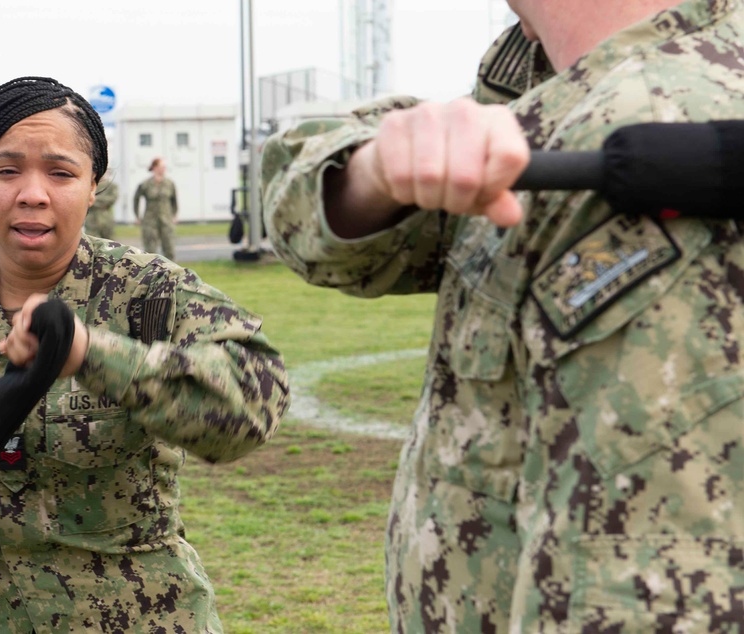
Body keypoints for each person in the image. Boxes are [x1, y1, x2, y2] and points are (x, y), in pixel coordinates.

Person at [262, 0, 744, 631]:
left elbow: (646, 579)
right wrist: (376, 171)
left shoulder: (662, 109)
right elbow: (315, 218)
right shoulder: (549, 91)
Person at [0, 76, 290, 633]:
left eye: (60, 172)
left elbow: (254, 403)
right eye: (7, 171)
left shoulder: (150, 297)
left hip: (130, 612)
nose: (33, 192)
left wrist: (91, 354)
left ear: (93, 185)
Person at [133, 157, 178, 260]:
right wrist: (137, 216)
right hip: (150, 221)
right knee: (150, 250)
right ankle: (151, 274)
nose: (163, 169)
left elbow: (174, 201)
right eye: (161, 167)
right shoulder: (145, 184)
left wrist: (174, 215)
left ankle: (172, 274)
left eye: (164, 167)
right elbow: (136, 199)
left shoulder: (169, 183)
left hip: (166, 220)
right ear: (154, 167)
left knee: (169, 248)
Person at [83, 167, 118, 240]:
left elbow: (112, 199)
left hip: (106, 217)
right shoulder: (88, 185)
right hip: (91, 217)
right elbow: (84, 199)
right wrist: (101, 200)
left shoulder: (111, 186)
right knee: (90, 240)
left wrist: (93, 200)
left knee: (110, 242)